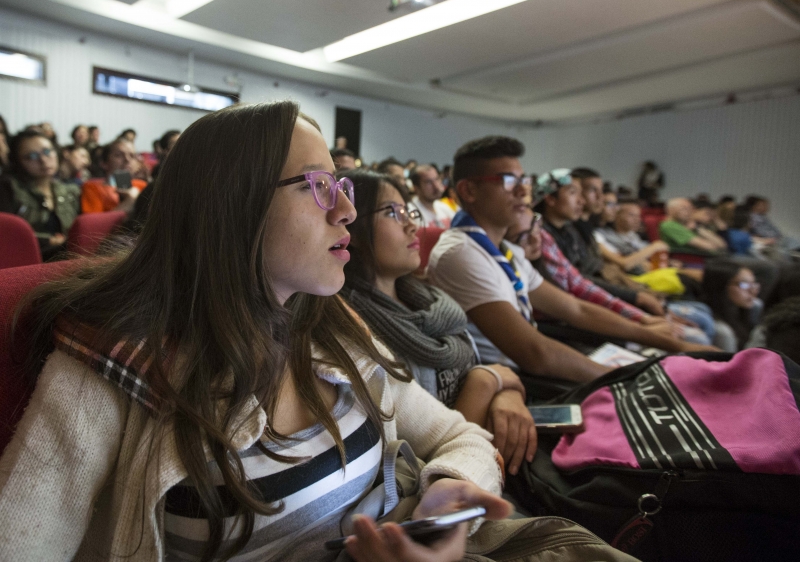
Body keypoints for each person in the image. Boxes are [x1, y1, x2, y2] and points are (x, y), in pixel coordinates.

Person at [0, 101, 510, 562]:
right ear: (231, 205)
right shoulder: (112, 364)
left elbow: (458, 435)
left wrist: (448, 489)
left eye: (342, 186)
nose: (347, 210)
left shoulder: (328, 326)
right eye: (317, 186)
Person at [339, 169, 536, 475]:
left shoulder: (431, 301)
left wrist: (507, 392)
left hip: (496, 457)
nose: (411, 224)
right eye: (392, 212)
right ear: (349, 224)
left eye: (409, 211)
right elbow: (421, 458)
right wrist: (486, 383)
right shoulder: (358, 331)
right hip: (453, 479)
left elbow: (486, 369)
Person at [427, 136, 615, 383]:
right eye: (508, 181)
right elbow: (536, 355)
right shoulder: (459, 252)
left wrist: (653, 331)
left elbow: (576, 309)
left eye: (523, 180)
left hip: (524, 375)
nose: (523, 191)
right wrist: (625, 377)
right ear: (469, 190)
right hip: (503, 384)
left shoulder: (506, 250)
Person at [507, 207, 715, 351]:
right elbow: (576, 310)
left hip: (603, 313)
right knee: (695, 334)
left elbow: (581, 288)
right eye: (522, 237)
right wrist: (640, 324)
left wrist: (642, 319)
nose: (537, 239)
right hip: (577, 333)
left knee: (701, 321)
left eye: (537, 227)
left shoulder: (557, 235)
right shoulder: (511, 263)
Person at [536, 168, 666, 316]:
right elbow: (577, 282)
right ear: (551, 199)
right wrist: (635, 300)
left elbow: (582, 279)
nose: (581, 201)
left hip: (590, 301)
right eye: (573, 193)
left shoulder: (569, 231)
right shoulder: (540, 235)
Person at [0, 129, 81, 259]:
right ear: (17, 161)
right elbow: (6, 234)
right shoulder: (7, 188)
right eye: (31, 156)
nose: (43, 160)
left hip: (68, 260)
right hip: (26, 261)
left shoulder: (69, 190)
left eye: (48, 151)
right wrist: (48, 241)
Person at [702, 260, 762, 352]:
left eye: (753, 284)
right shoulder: (721, 330)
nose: (753, 291)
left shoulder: (749, 309)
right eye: (744, 285)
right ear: (721, 286)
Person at [81, 138, 147, 214]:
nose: (127, 159)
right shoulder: (92, 188)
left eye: (132, 156)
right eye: (118, 155)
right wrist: (130, 201)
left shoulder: (143, 186)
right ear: (104, 163)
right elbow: (93, 224)